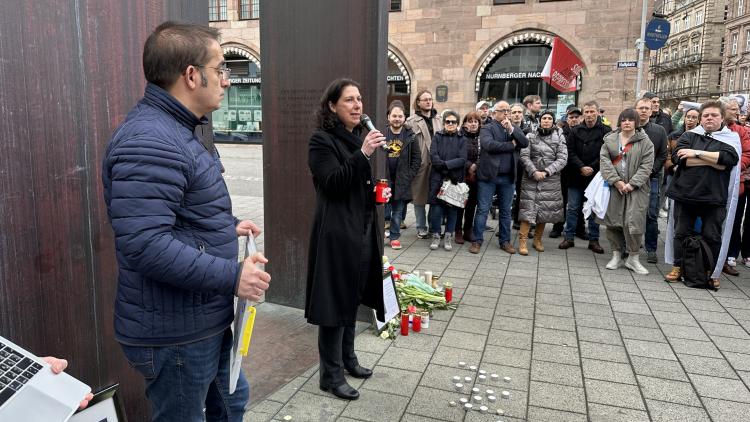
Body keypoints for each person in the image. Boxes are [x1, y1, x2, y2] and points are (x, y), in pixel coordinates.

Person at [102, 22, 270, 421]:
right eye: (220, 70)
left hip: (198, 321)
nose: (226, 81)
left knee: (231, 404)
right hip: (175, 334)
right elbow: (145, 245)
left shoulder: (175, 131)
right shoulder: (150, 140)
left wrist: (224, 226)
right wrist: (232, 276)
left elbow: (174, 212)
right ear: (192, 76)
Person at [306, 78, 386, 400]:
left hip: (362, 229)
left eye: (359, 98)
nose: (357, 105)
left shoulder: (355, 137)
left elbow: (358, 185)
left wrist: (378, 192)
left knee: (352, 296)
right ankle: (330, 374)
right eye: (349, 100)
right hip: (337, 234)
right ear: (332, 106)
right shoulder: (321, 140)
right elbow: (333, 183)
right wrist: (364, 153)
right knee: (334, 302)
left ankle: (349, 359)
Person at [664, 100, 741, 289]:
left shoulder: (730, 138)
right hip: (686, 194)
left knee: (712, 236)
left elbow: (729, 160)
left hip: (714, 197)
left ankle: (710, 271)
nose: (709, 118)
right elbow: (680, 159)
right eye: (706, 115)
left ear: (721, 118)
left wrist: (696, 153)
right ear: (700, 118)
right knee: (681, 232)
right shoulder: (689, 135)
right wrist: (713, 161)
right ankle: (678, 266)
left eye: (714, 115)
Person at [597, 108, 655, 274]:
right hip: (614, 187)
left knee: (634, 222)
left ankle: (633, 258)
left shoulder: (645, 142)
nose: (627, 122)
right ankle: (616, 255)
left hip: (636, 189)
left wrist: (632, 184)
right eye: (624, 119)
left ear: (636, 122)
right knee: (613, 220)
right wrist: (617, 182)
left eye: (630, 119)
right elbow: (605, 162)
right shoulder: (610, 139)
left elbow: (647, 166)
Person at [470, 101, 529, 254]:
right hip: (488, 176)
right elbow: (489, 145)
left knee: (505, 211)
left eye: (508, 110)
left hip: (508, 177)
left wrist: (511, 129)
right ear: (494, 113)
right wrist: (511, 145)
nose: (506, 113)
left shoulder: (514, 128)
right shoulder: (487, 128)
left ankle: (505, 241)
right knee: (483, 209)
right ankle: (476, 240)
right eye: (502, 110)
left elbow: (524, 142)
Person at [559, 101, 611, 253]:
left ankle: (594, 240)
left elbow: (607, 152)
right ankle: (569, 237)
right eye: (586, 112)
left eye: (592, 112)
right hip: (576, 174)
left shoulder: (606, 131)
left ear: (597, 112)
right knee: (573, 208)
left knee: (594, 209)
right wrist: (581, 166)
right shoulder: (575, 130)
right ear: (583, 114)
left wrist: (592, 167)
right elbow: (569, 151)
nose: (589, 115)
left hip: (595, 176)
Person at [517, 110, 568, 255]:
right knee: (528, 210)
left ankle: (538, 240)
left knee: (544, 210)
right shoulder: (530, 135)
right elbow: (524, 155)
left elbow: (563, 158)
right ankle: (522, 241)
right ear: (539, 120)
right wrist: (534, 172)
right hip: (531, 177)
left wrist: (546, 171)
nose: (546, 120)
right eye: (544, 118)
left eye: (549, 118)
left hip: (550, 179)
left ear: (553, 121)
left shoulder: (559, 136)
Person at [428, 110, 468, 251]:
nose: (450, 124)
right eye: (448, 121)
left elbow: (462, 159)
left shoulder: (462, 139)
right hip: (438, 178)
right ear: (444, 123)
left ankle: (448, 236)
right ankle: (436, 235)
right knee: (436, 209)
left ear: (457, 124)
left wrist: (445, 166)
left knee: (452, 210)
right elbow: (433, 156)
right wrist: (445, 168)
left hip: (455, 180)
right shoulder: (437, 137)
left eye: (453, 122)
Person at [635, 98, 668, 264]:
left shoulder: (659, 130)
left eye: (646, 108)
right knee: (631, 213)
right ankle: (630, 246)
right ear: (635, 109)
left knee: (651, 214)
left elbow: (663, 154)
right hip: (630, 179)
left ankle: (651, 249)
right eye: (640, 108)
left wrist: (650, 170)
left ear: (651, 111)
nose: (643, 111)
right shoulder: (627, 127)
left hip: (651, 178)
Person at [384, 101, 422, 250]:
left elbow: (417, 159)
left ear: (404, 118)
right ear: (388, 117)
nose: (397, 119)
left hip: (402, 180)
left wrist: (409, 176)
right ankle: (382, 235)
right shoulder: (381, 133)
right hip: (384, 179)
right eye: (394, 116)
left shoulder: (411, 136)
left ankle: (394, 237)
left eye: (400, 116)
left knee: (398, 211)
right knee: (383, 210)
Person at [406, 90, 442, 239]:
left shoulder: (439, 119)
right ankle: (421, 227)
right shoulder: (410, 122)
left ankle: (434, 226)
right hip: (421, 164)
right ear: (418, 102)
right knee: (419, 197)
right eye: (425, 99)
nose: (428, 102)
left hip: (438, 164)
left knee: (436, 197)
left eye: (430, 99)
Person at [722, 98, 750, 274]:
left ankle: (727, 257)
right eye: (733, 109)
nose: (737, 112)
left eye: (738, 108)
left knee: (732, 219)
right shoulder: (712, 128)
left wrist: (737, 166)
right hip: (711, 182)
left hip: (735, 180)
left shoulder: (740, 131)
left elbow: (748, 152)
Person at [551, 106, 583, 238]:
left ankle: (580, 228)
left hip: (578, 171)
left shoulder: (583, 131)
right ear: (567, 118)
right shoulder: (560, 132)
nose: (574, 119)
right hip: (563, 172)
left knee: (578, 202)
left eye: (576, 117)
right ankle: (557, 227)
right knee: (561, 201)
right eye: (571, 117)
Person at [455, 111, 482, 244]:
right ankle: (458, 230)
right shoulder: (459, 137)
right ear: (465, 123)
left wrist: (476, 165)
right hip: (462, 174)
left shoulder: (482, 137)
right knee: (460, 204)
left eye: (475, 121)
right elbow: (456, 154)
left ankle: (468, 230)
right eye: (470, 121)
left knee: (472, 205)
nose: (473, 124)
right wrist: (469, 165)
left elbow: (485, 154)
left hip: (477, 176)